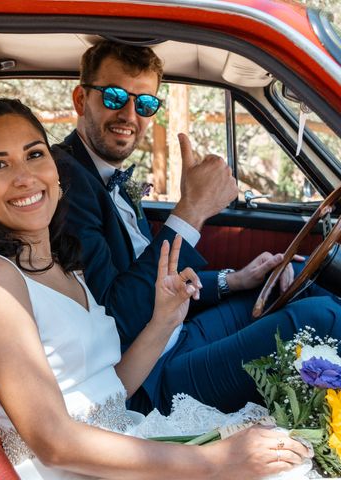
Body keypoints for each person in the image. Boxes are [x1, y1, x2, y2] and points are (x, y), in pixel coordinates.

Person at [0, 97, 312, 479]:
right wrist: (216, 462)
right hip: (71, 470)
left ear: (55, 171)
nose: (25, 176)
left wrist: (163, 321)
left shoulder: (64, 267)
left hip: (117, 442)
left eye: (35, 154)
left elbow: (111, 389)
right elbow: (53, 442)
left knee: (291, 453)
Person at [55, 40, 339, 414]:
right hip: (147, 375)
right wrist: (192, 209)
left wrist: (232, 280)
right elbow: (115, 316)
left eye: (144, 103)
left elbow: (153, 280)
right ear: (80, 100)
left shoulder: (108, 176)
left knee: (296, 276)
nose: (129, 114)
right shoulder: (65, 183)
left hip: (178, 332)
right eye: (113, 97)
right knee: (320, 318)